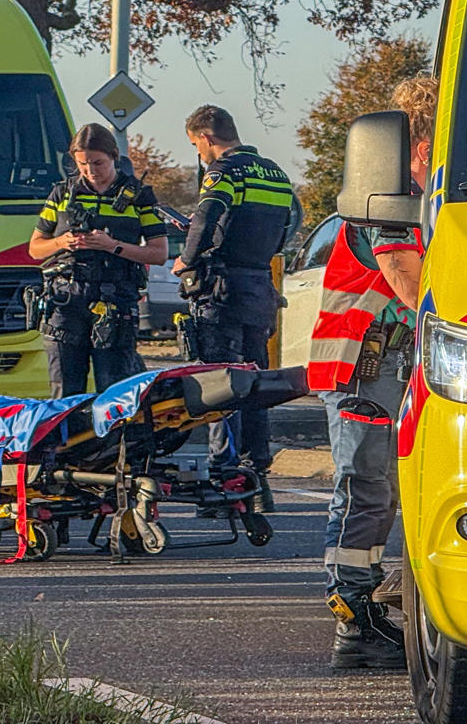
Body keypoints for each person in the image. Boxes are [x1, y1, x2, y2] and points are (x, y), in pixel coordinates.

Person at [307, 75, 436, 670]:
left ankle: (371, 610)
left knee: (385, 493)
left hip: (387, 366)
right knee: (366, 492)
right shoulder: (386, 204)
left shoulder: (413, 202)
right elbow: (413, 288)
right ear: (413, 144)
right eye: (438, 145)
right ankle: (352, 628)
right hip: (364, 367)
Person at [172, 105, 299, 479]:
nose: (199, 152)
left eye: (197, 145)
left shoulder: (223, 171)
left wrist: (186, 259)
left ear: (207, 138)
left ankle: (223, 467)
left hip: (222, 290)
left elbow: (207, 217)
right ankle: (257, 461)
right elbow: (285, 227)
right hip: (260, 286)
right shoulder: (276, 173)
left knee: (220, 381)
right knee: (256, 377)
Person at [28, 124, 169, 397]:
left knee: (113, 389)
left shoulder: (138, 196)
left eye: (98, 163)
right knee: (64, 390)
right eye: (82, 164)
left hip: (115, 299)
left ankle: (113, 441)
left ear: (114, 156)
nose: (91, 171)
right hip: (66, 300)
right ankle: (66, 439)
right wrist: (62, 242)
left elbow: (158, 252)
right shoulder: (61, 193)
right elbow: (35, 248)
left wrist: (112, 246)